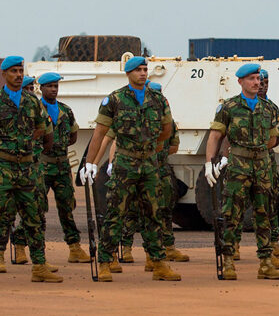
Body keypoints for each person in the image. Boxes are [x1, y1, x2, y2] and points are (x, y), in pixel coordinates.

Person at [0, 55, 61, 283]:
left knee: (34, 218)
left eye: (20, 71)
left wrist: (27, 141)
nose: (18, 75)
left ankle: (39, 266)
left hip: (27, 168)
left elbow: (45, 129)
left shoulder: (32, 101)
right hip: (2, 168)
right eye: (14, 71)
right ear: (4, 74)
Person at [81, 56, 181, 282]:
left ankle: (158, 263)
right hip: (125, 163)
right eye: (138, 70)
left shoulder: (158, 99)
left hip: (150, 164)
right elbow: (99, 133)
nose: (143, 73)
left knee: (154, 213)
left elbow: (167, 129)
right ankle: (105, 262)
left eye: (145, 69)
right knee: (115, 213)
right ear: (128, 73)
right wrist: (90, 162)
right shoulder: (115, 99)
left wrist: (152, 147)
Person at [205, 63, 279, 280]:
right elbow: (215, 136)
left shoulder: (269, 108)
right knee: (232, 213)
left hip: (262, 166)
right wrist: (209, 163)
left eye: (258, 79)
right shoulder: (229, 107)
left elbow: (273, 138)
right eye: (252, 79)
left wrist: (257, 149)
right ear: (240, 81)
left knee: (264, 214)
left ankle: (266, 263)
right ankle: (229, 261)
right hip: (238, 165)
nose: (257, 83)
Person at [108, 81, 189, 268]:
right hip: (135, 167)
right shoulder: (136, 116)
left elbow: (174, 146)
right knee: (130, 210)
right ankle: (125, 249)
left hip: (159, 169)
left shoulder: (168, 122)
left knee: (161, 212)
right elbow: (115, 140)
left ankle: (162, 250)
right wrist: (112, 164)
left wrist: (157, 152)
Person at [37, 72, 90, 263]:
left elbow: (73, 136)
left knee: (67, 207)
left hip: (61, 167)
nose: (53, 89)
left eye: (56, 86)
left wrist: (60, 146)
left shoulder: (65, 110)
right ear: (41, 88)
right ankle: (24, 246)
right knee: (36, 208)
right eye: (50, 86)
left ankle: (74, 248)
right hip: (41, 166)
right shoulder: (34, 110)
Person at [258, 69, 279, 266]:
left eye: (266, 82)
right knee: (237, 204)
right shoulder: (237, 106)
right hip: (242, 160)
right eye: (260, 82)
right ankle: (233, 245)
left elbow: (275, 138)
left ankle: (273, 243)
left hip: (266, 159)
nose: (262, 86)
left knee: (270, 201)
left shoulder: (272, 108)